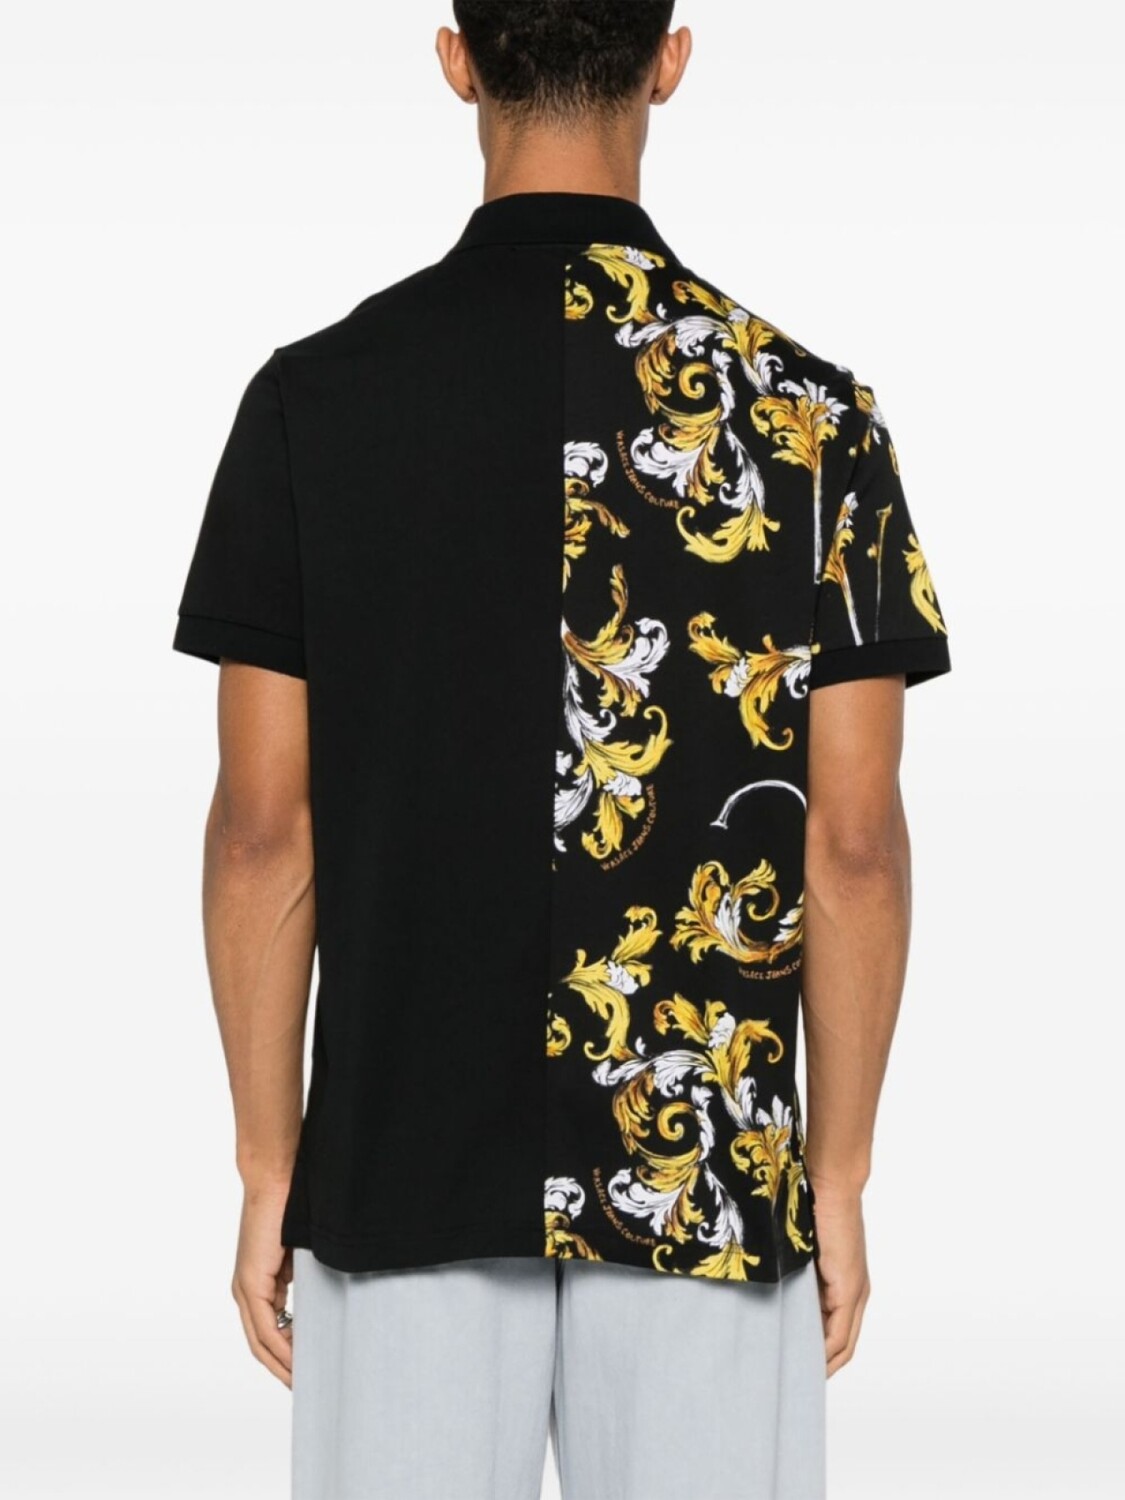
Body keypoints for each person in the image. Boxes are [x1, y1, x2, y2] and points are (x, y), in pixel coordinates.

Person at [172, 3, 951, 1496]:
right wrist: (836, 1176)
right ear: (669, 60)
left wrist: (271, 1162)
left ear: (457, 59)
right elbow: (853, 845)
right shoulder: (812, 426)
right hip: (705, 1165)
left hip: (402, 1160)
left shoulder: (311, 405)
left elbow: (263, 831)